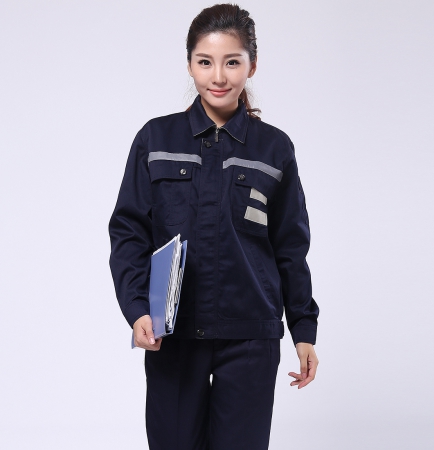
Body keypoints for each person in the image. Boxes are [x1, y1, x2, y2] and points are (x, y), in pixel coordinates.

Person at [108, 3, 319, 450]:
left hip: (250, 336)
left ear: (252, 66)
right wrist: (138, 309)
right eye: (205, 62)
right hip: (173, 334)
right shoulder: (155, 139)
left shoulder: (274, 148)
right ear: (190, 64)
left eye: (232, 62)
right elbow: (129, 232)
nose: (218, 76)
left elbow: (290, 245)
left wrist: (303, 330)